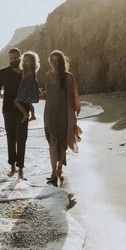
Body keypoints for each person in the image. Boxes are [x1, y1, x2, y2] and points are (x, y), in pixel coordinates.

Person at [42, 50, 82, 187]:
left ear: (61, 61)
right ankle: (53, 172)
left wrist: (73, 116)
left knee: (62, 142)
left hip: (64, 113)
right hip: (49, 113)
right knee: (52, 141)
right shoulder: (48, 76)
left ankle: (59, 167)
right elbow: (48, 94)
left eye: (57, 60)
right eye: (51, 60)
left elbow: (73, 97)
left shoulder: (68, 77)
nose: (54, 62)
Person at [0, 48, 29, 180]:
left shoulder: (25, 72)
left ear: (20, 57)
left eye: (16, 58)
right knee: (11, 139)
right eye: (11, 58)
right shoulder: (3, 73)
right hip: (8, 110)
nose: (13, 60)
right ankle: (12, 167)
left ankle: (21, 170)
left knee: (22, 139)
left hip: (23, 110)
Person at [14, 51, 41, 123]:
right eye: (24, 60)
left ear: (32, 62)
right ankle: (32, 115)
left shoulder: (30, 70)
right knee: (28, 102)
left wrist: (23, 70)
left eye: (27, 61)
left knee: (16, 101)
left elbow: (24, 78)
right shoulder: (31, 69)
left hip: (27, 88)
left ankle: (26, 114)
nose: (25, 62)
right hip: (27, 87)